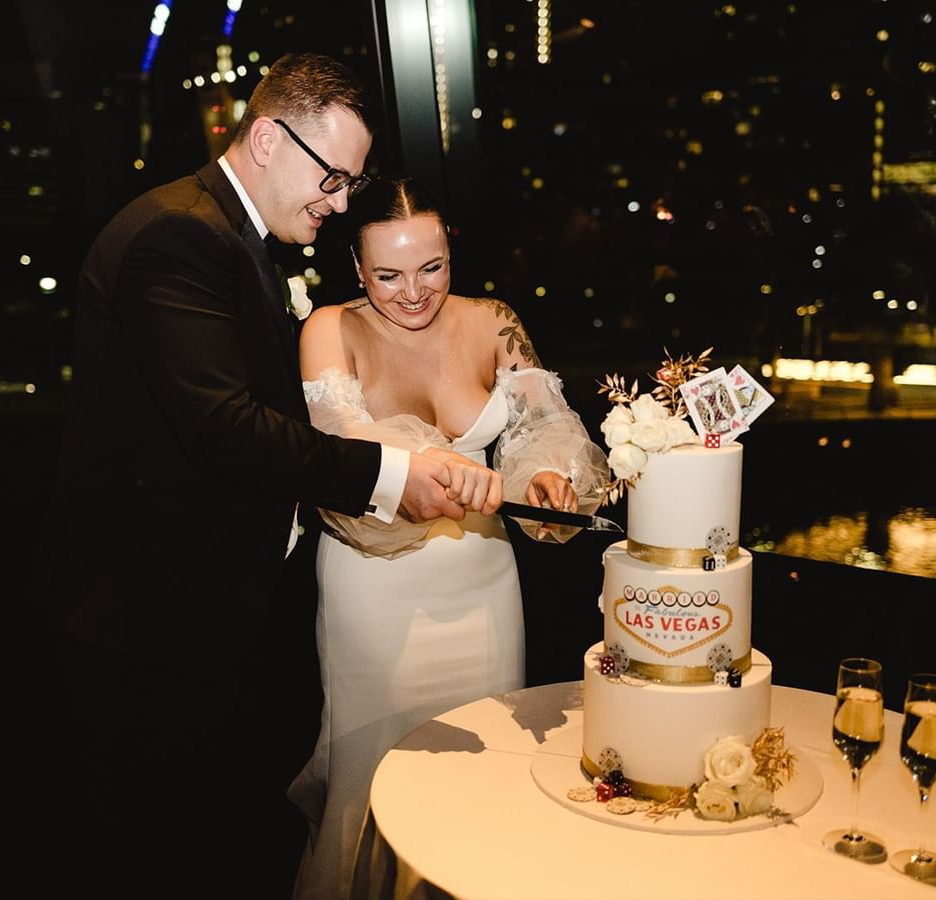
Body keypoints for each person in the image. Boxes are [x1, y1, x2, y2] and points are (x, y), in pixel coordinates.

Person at [36, 55, 470, 898]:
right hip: (140, 615)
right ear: (268, 138)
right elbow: (222, 429)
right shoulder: (178, 235)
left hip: (202, 605)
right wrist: (393, 472)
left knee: (207, 836)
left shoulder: (232, 235)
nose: (342, 202)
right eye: (334, 177)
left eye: (353, 181)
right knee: (150, 849)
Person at [287, 176, 610, 899]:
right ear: (356, 268)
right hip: (375, 591)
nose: (413, 292)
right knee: (374, 776)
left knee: (484, 767)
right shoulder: (330, 330)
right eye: (388, 274)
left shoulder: (495, 322)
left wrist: (548, 480)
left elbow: (545, 430)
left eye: (431, 268)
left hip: (484, 581)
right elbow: (344, 454)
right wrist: (427, 470)